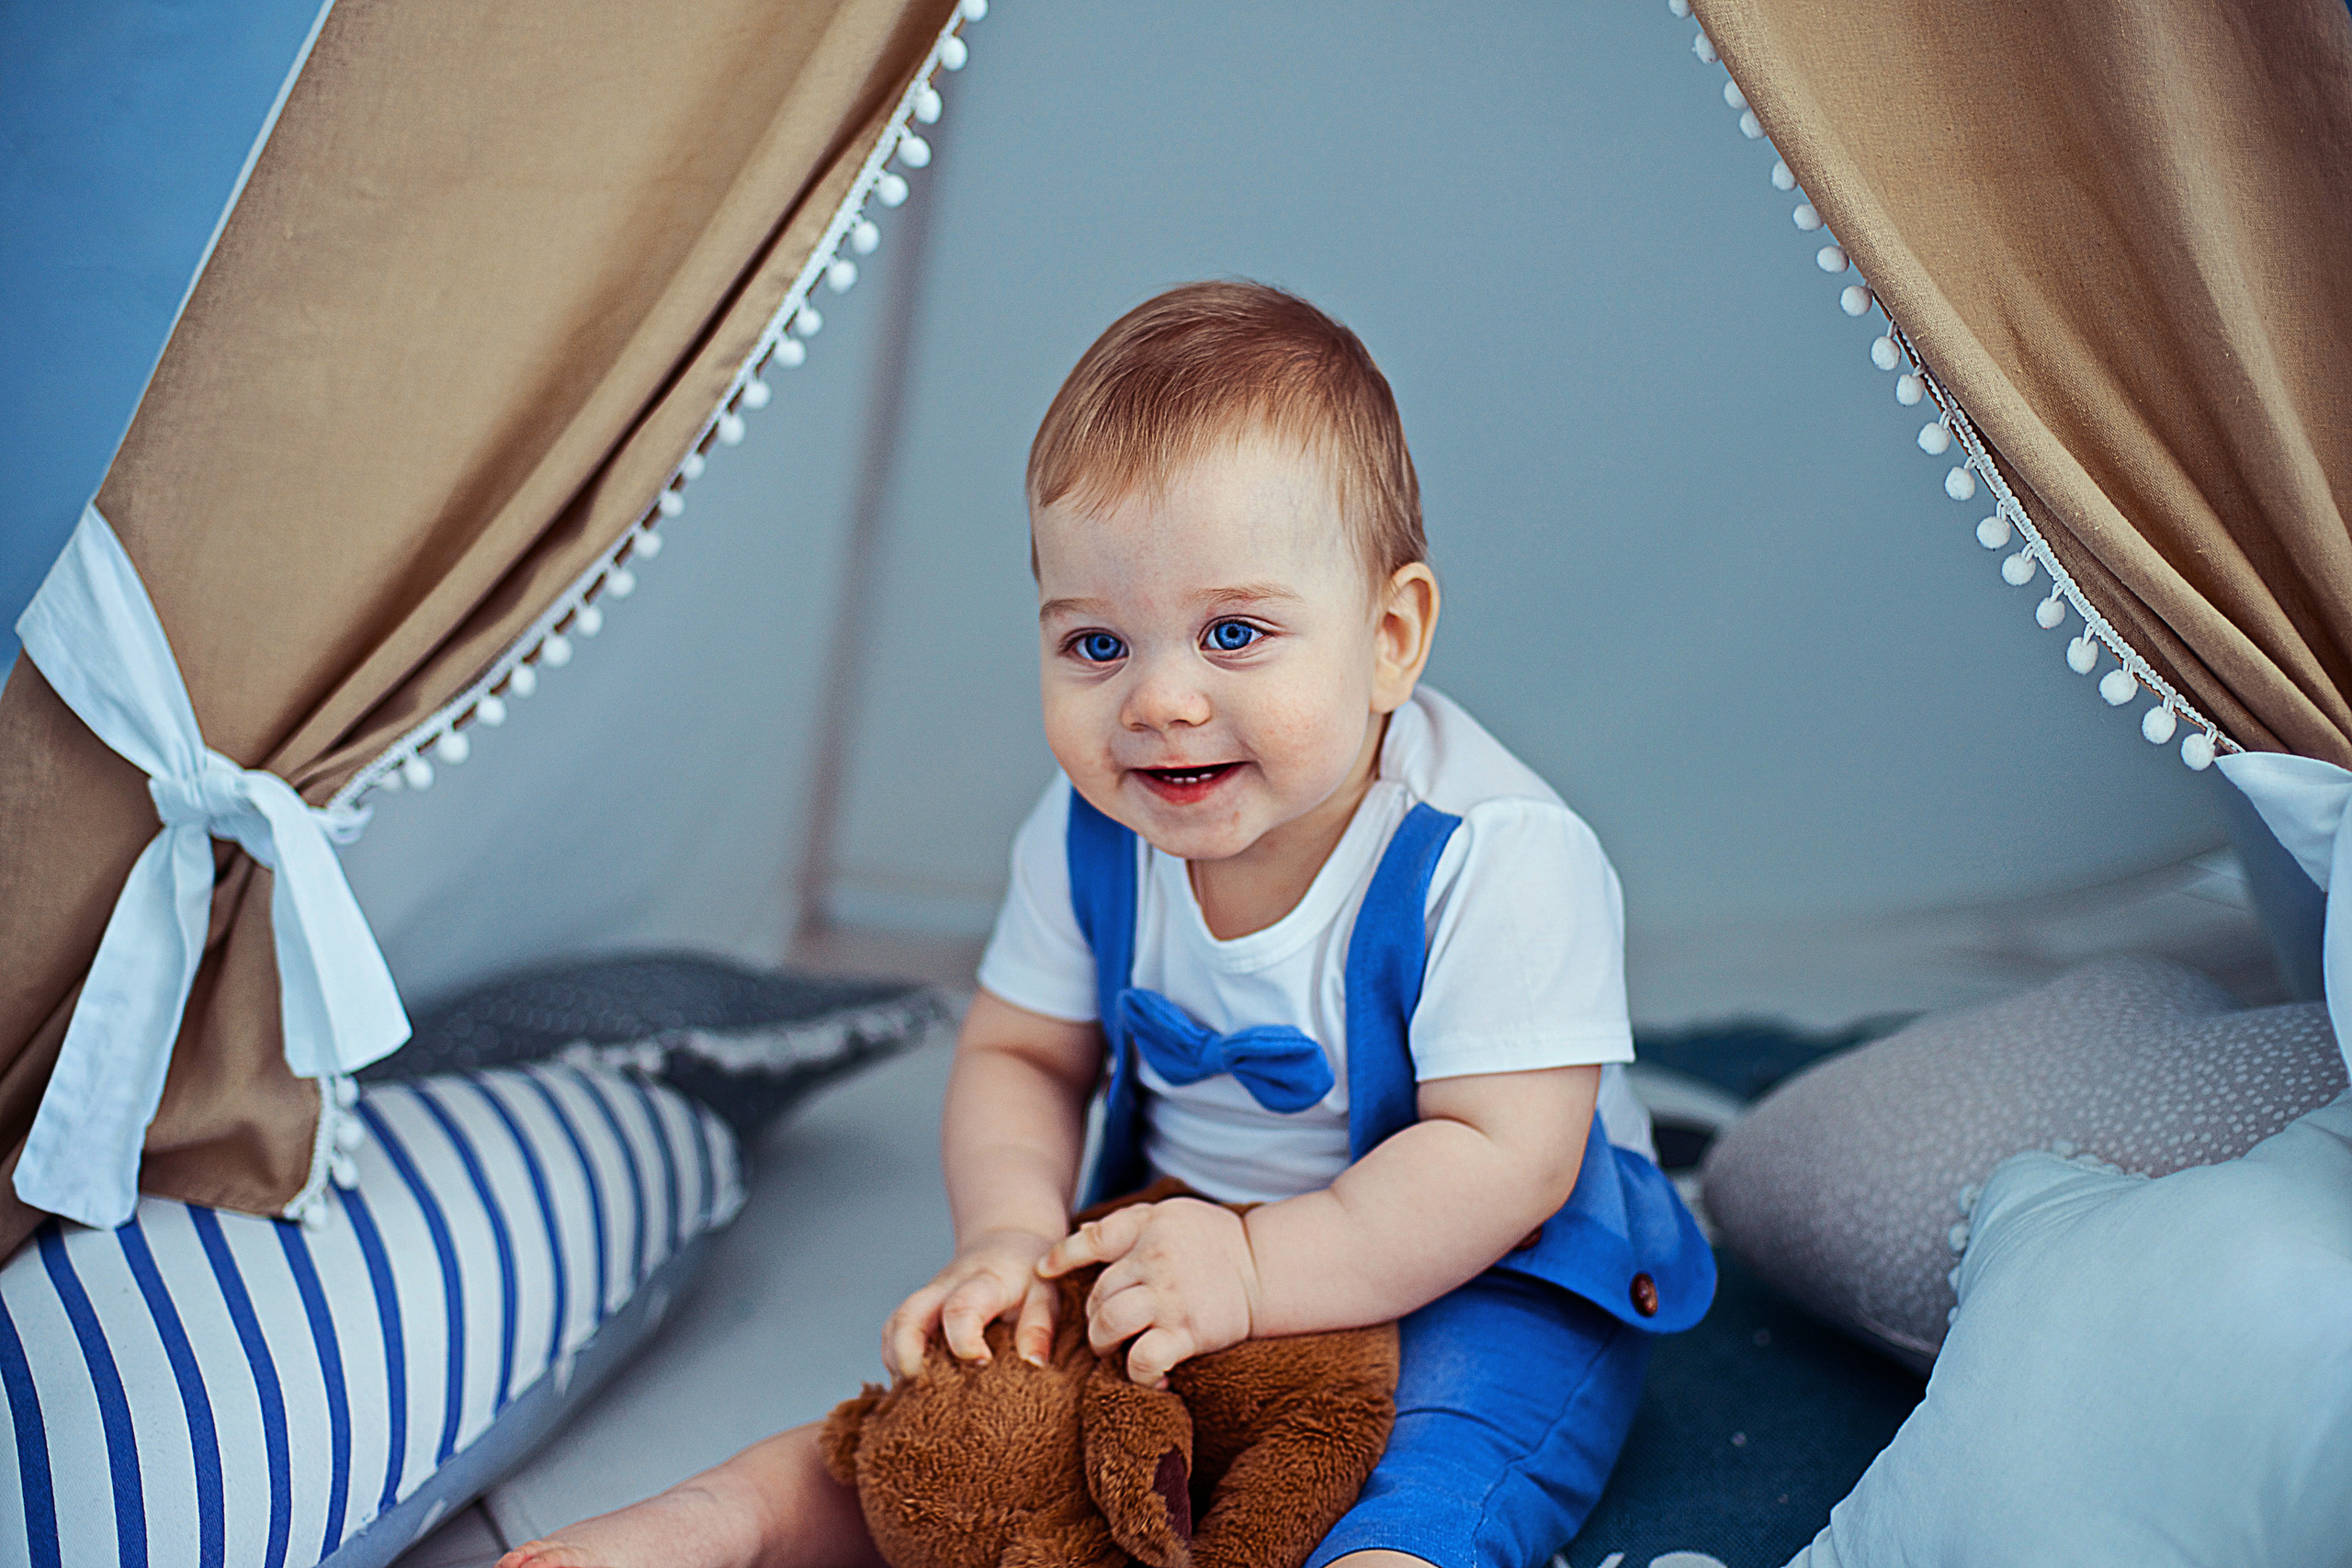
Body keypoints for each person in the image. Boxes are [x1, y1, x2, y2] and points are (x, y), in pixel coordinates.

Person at [501, 280, 1711, 1568]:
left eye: (1234, 632)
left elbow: (1501, 1160)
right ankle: (732, 1518)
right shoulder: (1090, 837)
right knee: (976, 1428)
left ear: (1390, 639)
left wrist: (1255, 1272)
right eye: (1095, 645)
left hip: (1480, 1263)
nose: (1160, 701)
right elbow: (1023, 1056)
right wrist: (1013, 1239)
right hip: (1176, 1236)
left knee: (1447, 1453)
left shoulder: (1498, 857)